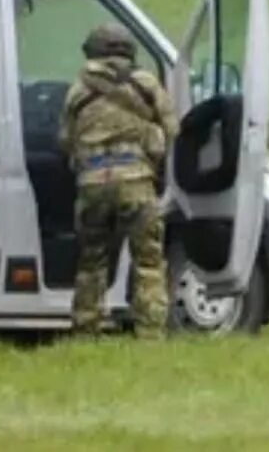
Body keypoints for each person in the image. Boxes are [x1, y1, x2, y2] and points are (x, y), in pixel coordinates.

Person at [58, 24, 178, 340]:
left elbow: (65, 141)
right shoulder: (146, 85)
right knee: (148, 261)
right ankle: (150, 333)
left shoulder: (77, 90)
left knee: (91, 261)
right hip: (137, 183)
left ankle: (86, 330)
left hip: (93, 185)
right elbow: (172, 128)